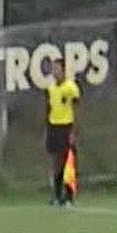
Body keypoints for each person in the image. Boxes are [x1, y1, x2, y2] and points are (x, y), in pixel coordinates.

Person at [45, 58, 80, 206]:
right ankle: (57, 195)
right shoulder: (51, 89)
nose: (55, 72)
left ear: (63, 70)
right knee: (55, 163)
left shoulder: (70, 87)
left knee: (68, 162)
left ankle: (69, 196)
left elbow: (77, 108)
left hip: (66, 127)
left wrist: (74, 131)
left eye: (58, 69)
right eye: (53, 69)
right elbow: (50, 109)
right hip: (53, 127)